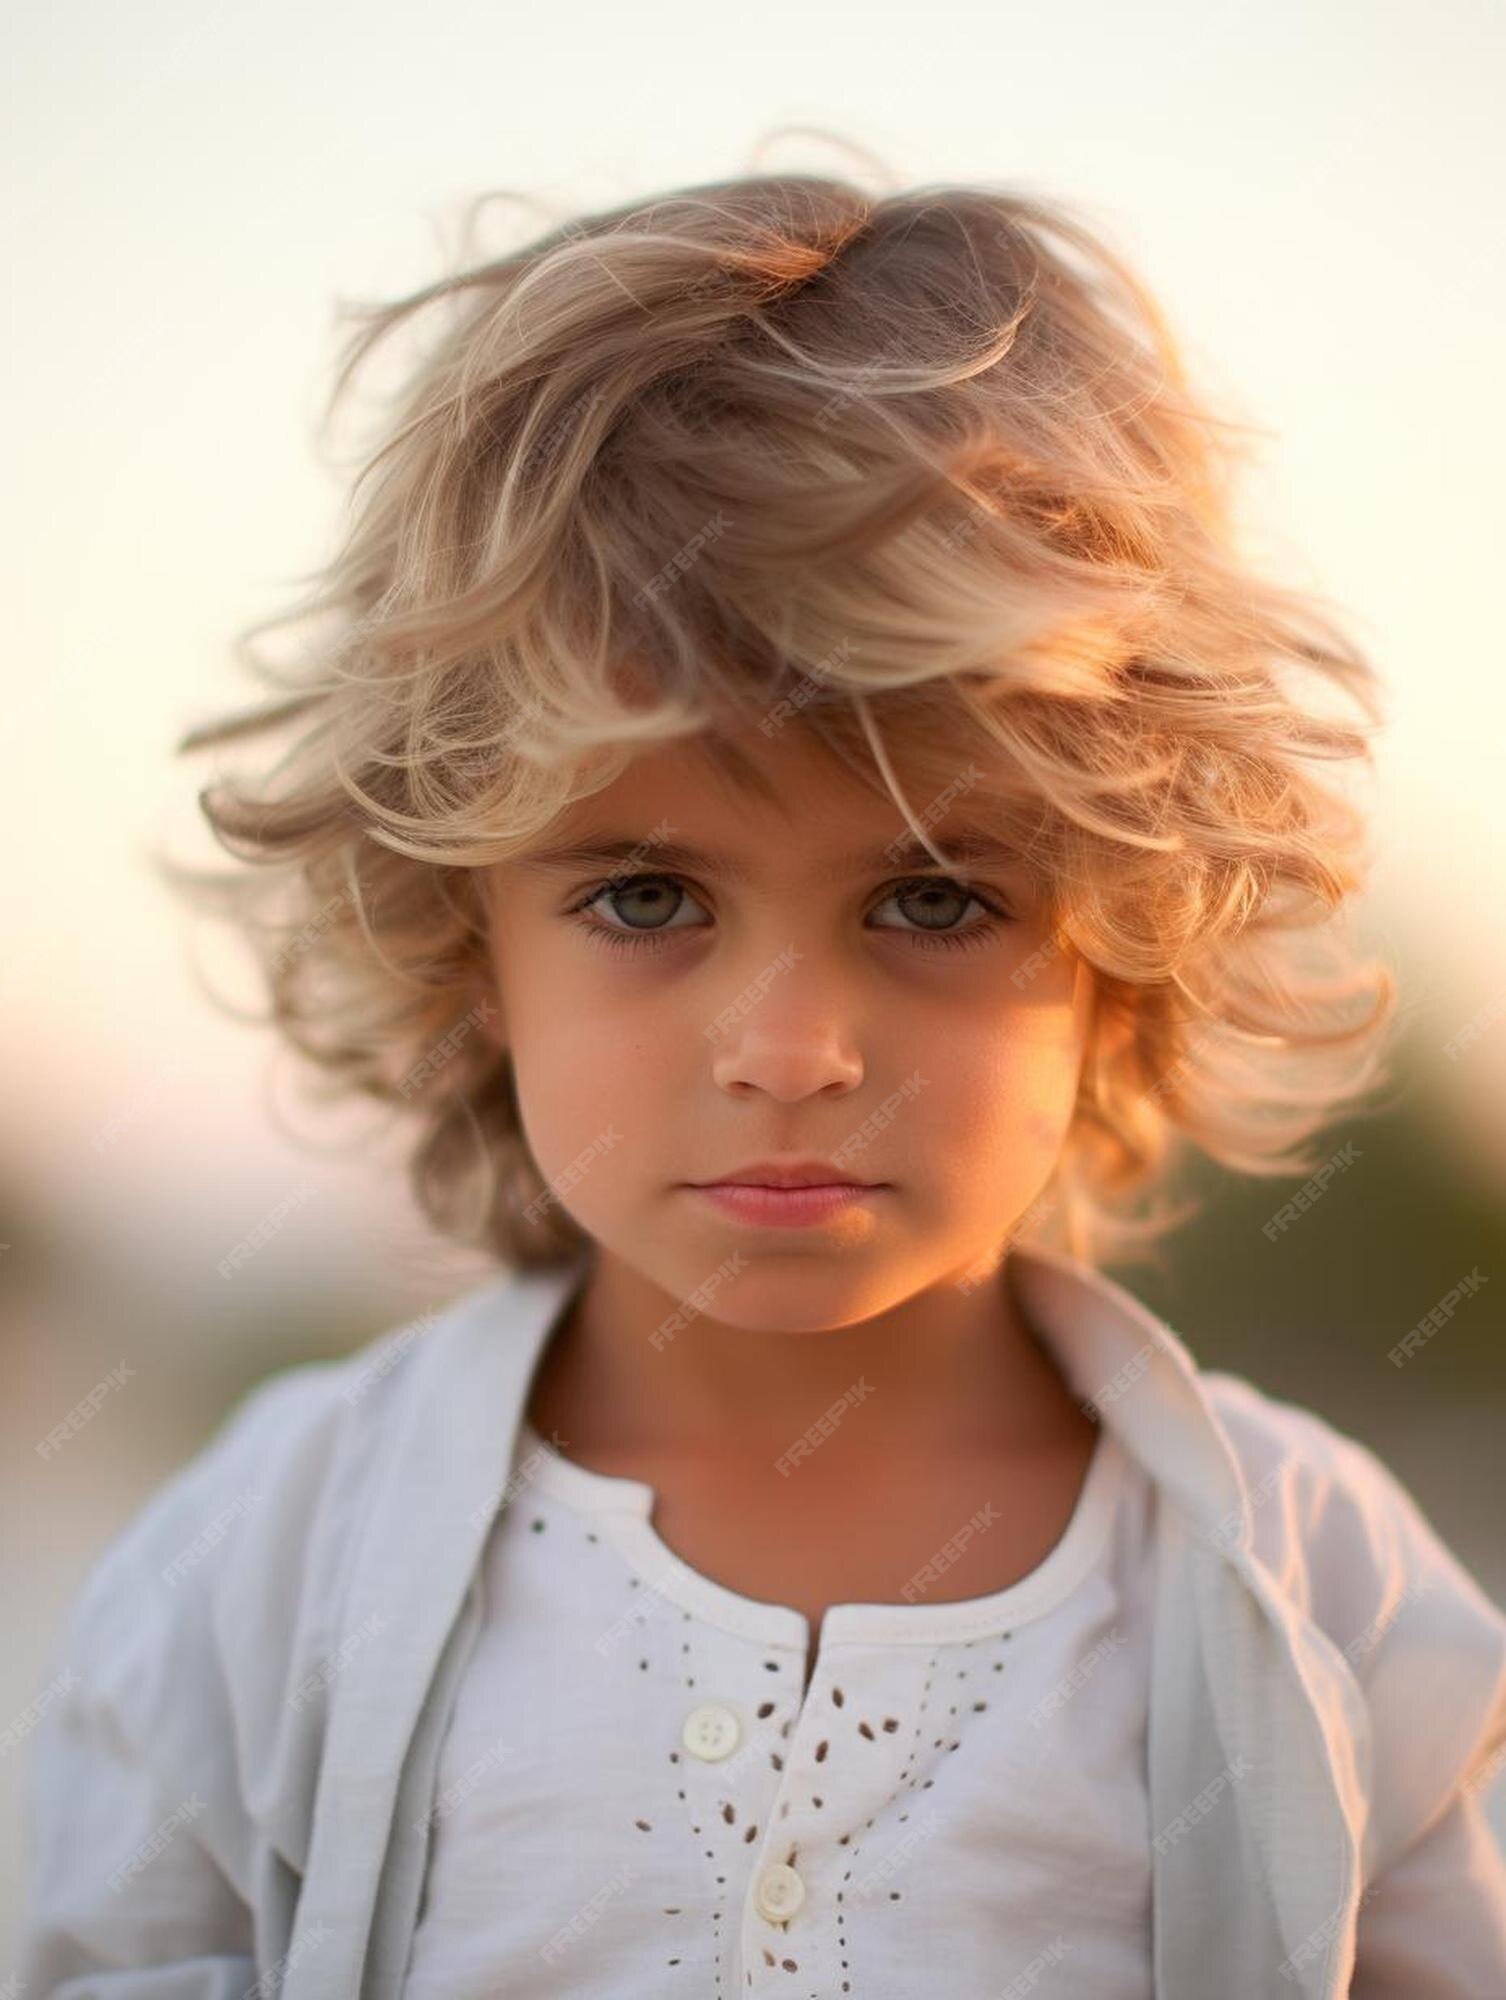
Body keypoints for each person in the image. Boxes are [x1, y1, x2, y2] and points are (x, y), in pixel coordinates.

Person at [17, 160, 1506, 1998]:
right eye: (647, 896)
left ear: (1124, 947)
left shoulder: (1335, 1603)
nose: (793, 1053)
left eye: (933, 897)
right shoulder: (258, 1566)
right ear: (463, 936)